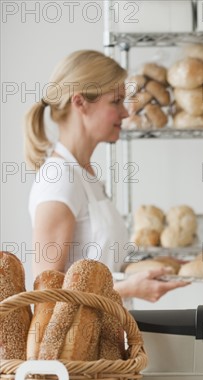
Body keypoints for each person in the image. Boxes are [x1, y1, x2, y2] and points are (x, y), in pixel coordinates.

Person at [25, 50, 188, 302]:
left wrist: (152, 266)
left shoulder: (85, 175)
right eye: (116, 102)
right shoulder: (58, 180)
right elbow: (47, 296)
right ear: (80, 103)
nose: (126, 113)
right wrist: (129, 289)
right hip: (82, 340)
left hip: (108, 332)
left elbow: (101, 267)